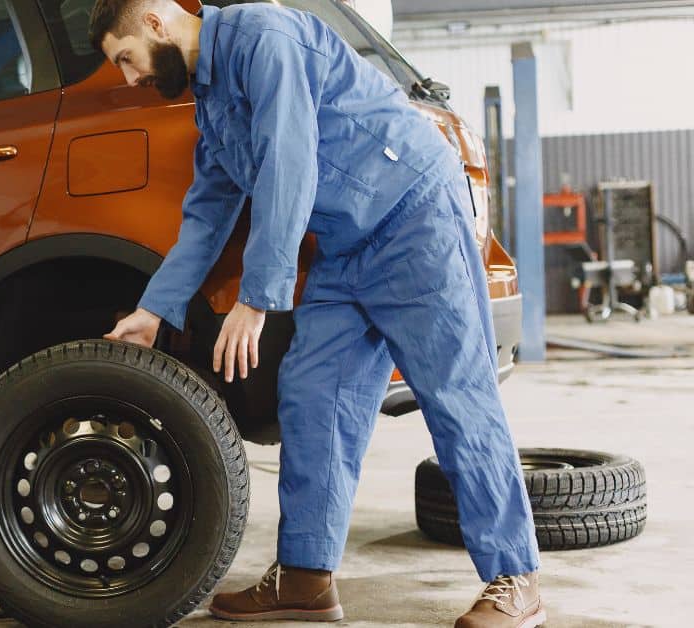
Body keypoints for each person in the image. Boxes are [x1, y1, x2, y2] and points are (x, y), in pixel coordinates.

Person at [90, 1, 544, 626]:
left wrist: (257, 298)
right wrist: (153, 310)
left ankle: (515, 580)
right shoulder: (214, 98)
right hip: (343, 245)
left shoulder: (265, 37)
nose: (129, 78)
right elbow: (208, 212)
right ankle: (305, 579)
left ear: (155, 22)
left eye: (126, 59)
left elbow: (289, 160)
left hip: (414, 221)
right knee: (312, 394)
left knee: (455, 396)